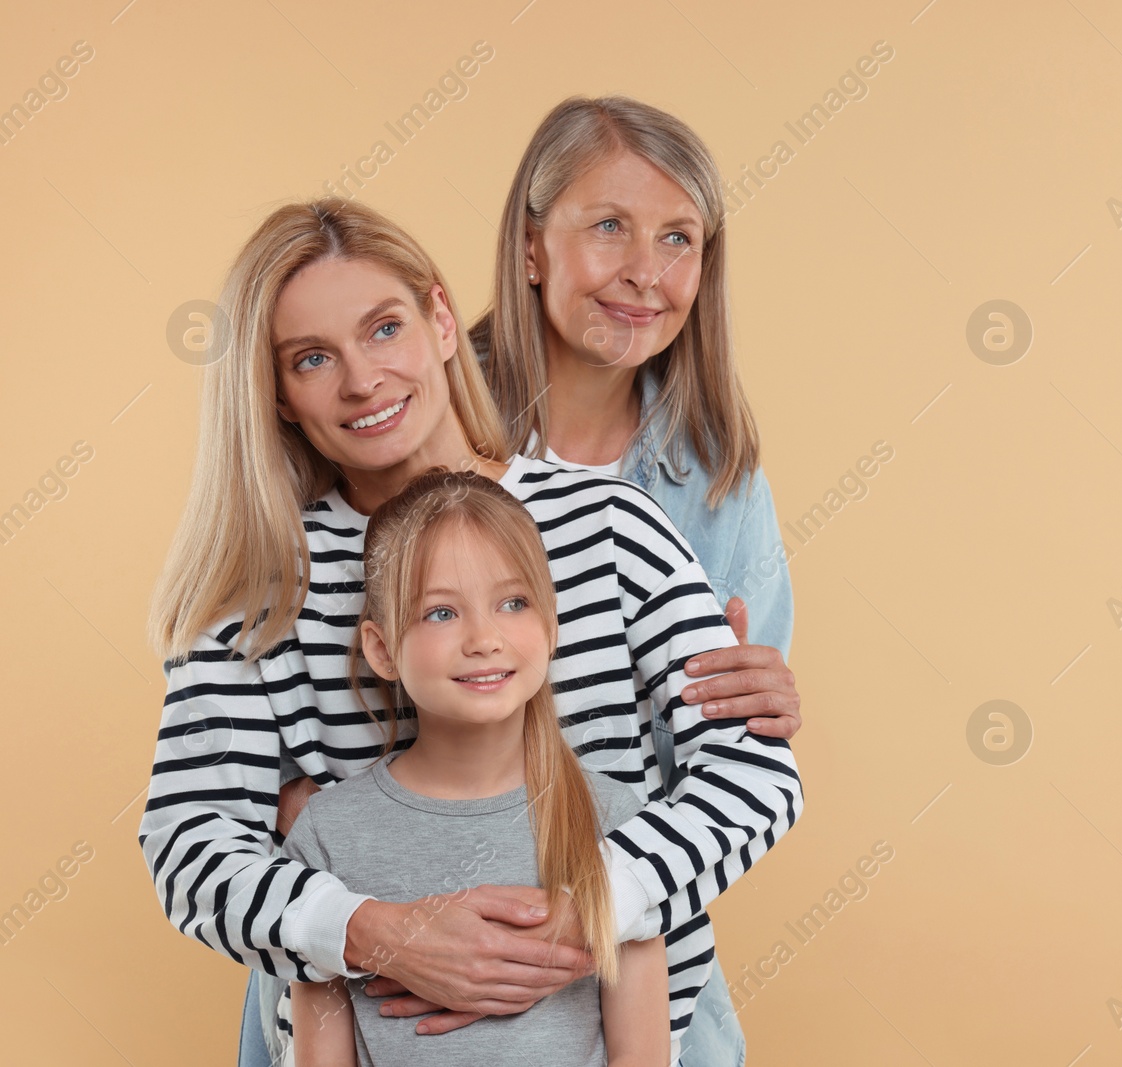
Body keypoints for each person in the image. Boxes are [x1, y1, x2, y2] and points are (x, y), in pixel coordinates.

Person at [138, 197, 803, 1067]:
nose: (363, 380)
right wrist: (375, 932)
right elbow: (191, 841)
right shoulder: (259, 601)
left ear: (442, 319)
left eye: (384, 329)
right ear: (278, 395)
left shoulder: (610, 528)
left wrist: (590, 907)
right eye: (312, 358)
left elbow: (753, 774)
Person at [470, 97, 798, 1063]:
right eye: (608, 226)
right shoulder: (416, 421)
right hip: (415, 969)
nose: (645, 274)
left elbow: (731, 765)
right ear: (531, 247)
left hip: (637, 983)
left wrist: (764, 700)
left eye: (678, 239)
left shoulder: (720, 482)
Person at [286, 467, 667, 1067]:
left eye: (513, 603)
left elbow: (641, 1058)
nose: (484, 638)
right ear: (382, 650)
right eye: (441, 613)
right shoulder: (326, 834)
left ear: (550, 623)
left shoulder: (619, 824)